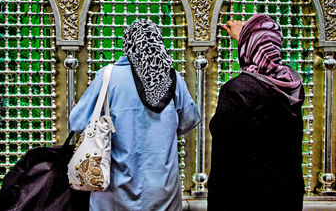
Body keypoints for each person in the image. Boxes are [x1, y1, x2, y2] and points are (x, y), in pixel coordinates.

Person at [70, 19, 201, 210]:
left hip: (114, 193)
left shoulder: (108, 77)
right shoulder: (173, 79)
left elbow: (77, 121)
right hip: (163, 192)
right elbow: (189, 121)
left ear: (127, 45)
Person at [207, 14, 305, 210]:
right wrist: (248, 34)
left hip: (245, 198)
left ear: (248, 46)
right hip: (286, 197)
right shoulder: (291, 85)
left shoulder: (237, 90)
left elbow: (226, 163)